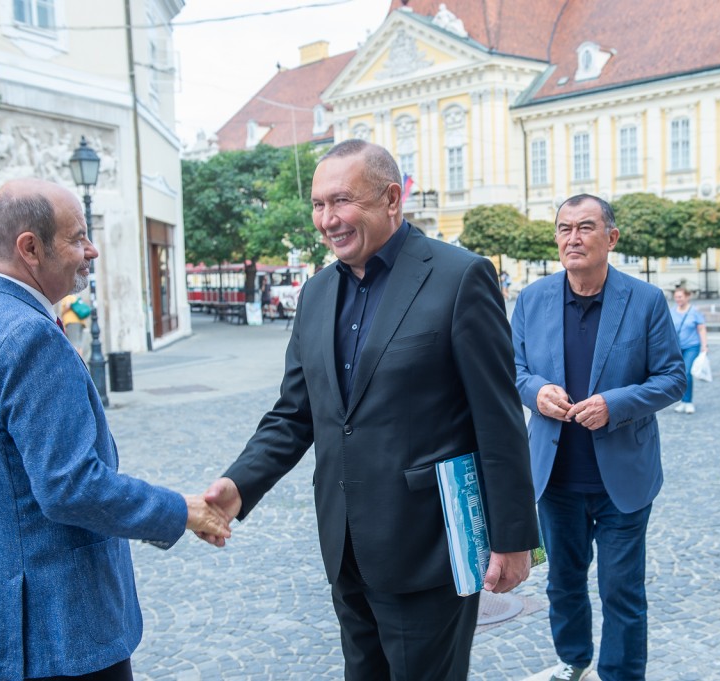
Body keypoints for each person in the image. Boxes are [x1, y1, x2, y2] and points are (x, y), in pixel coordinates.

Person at [200, 140, 539, 680]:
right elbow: (295, 414)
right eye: (318, 204)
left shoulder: (459, 277)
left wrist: (513, 537)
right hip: (345, 547)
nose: (327, 220)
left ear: (391, 199)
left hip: (428, 547)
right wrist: (239, 485)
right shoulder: (315, 294)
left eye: (342, 201)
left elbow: (498, 419)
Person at [0, 178, 230, 681]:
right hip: (60, 625)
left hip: (7, 614)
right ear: (30, 248)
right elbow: (71, 486)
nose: (91, 250)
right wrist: (183, 510)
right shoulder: (28, 335)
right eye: (77, 237)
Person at [512, 194, 685, 681]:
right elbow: (512, 369)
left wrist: (615, 404)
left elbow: (673, 378)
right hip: (556, 477)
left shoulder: (645, 300)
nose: (573, 238)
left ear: (611, 238)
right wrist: (535, 391)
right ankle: (573, 659)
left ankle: (621, 674)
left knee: (621, 590)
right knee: (564, 583)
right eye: (564, 228)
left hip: (623, 478)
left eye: (585, 227)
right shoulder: (532, 300)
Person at [670, 285, 707, 414]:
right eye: (676, 297)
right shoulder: (672, 311)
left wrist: (704, 345)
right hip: (677, 347)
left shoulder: (694, 311)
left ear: (687, 297)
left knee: (687, 372)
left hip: (692, 346)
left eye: (680, 297)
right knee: (679, 374)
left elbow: (701, 329)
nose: (678, 299)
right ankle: (683, 401)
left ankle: (688, 401)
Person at [59, 292, 88, 356]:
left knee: (73, 343)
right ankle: (80, 359)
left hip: (71, 322)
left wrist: (62, 314)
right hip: (81, 322)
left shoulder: (67, 296)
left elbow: (68, 305)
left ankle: (76, 360)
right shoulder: (76, 297)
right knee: (79, 344)